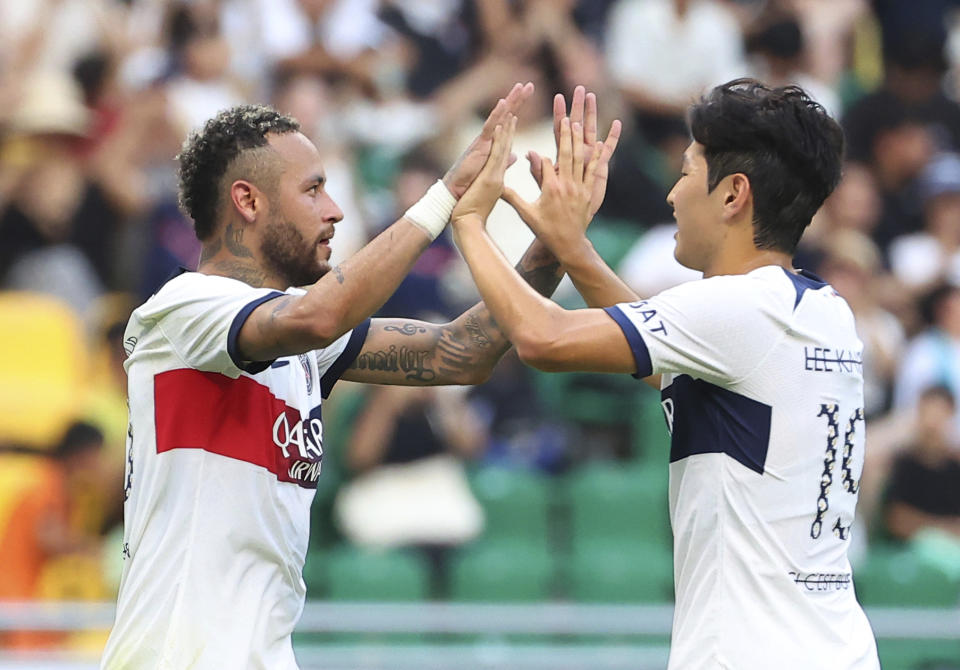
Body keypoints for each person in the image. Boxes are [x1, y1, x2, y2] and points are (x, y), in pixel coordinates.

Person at [100, 82, 618, 669]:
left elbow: (461, 351)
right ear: (247, 201)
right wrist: (442, 198)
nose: (335, 209)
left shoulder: (301, 345)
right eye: (313, 189)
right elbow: (317, 315)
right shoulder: (185, 307)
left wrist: (554, 241)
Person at [449, 79, 880, 669]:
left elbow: (541, 338)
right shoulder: (823, 312)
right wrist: (574, 250)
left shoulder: (740, 310)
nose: (673, 195)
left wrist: (469, 222)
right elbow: (674, 361)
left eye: (685, 172)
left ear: (733, 195)